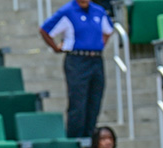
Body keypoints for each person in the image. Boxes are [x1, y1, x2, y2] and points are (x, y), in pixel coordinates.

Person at [39, 0, 113, 140]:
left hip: (96, 59)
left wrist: (98, 45)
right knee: (78, 102)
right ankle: (75, 139)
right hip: (77, 59)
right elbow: (45, 30)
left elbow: (108, 30)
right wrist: (55, 47)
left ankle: (90, 137)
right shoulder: (68, 11)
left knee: (95, 100)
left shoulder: (98, 10)